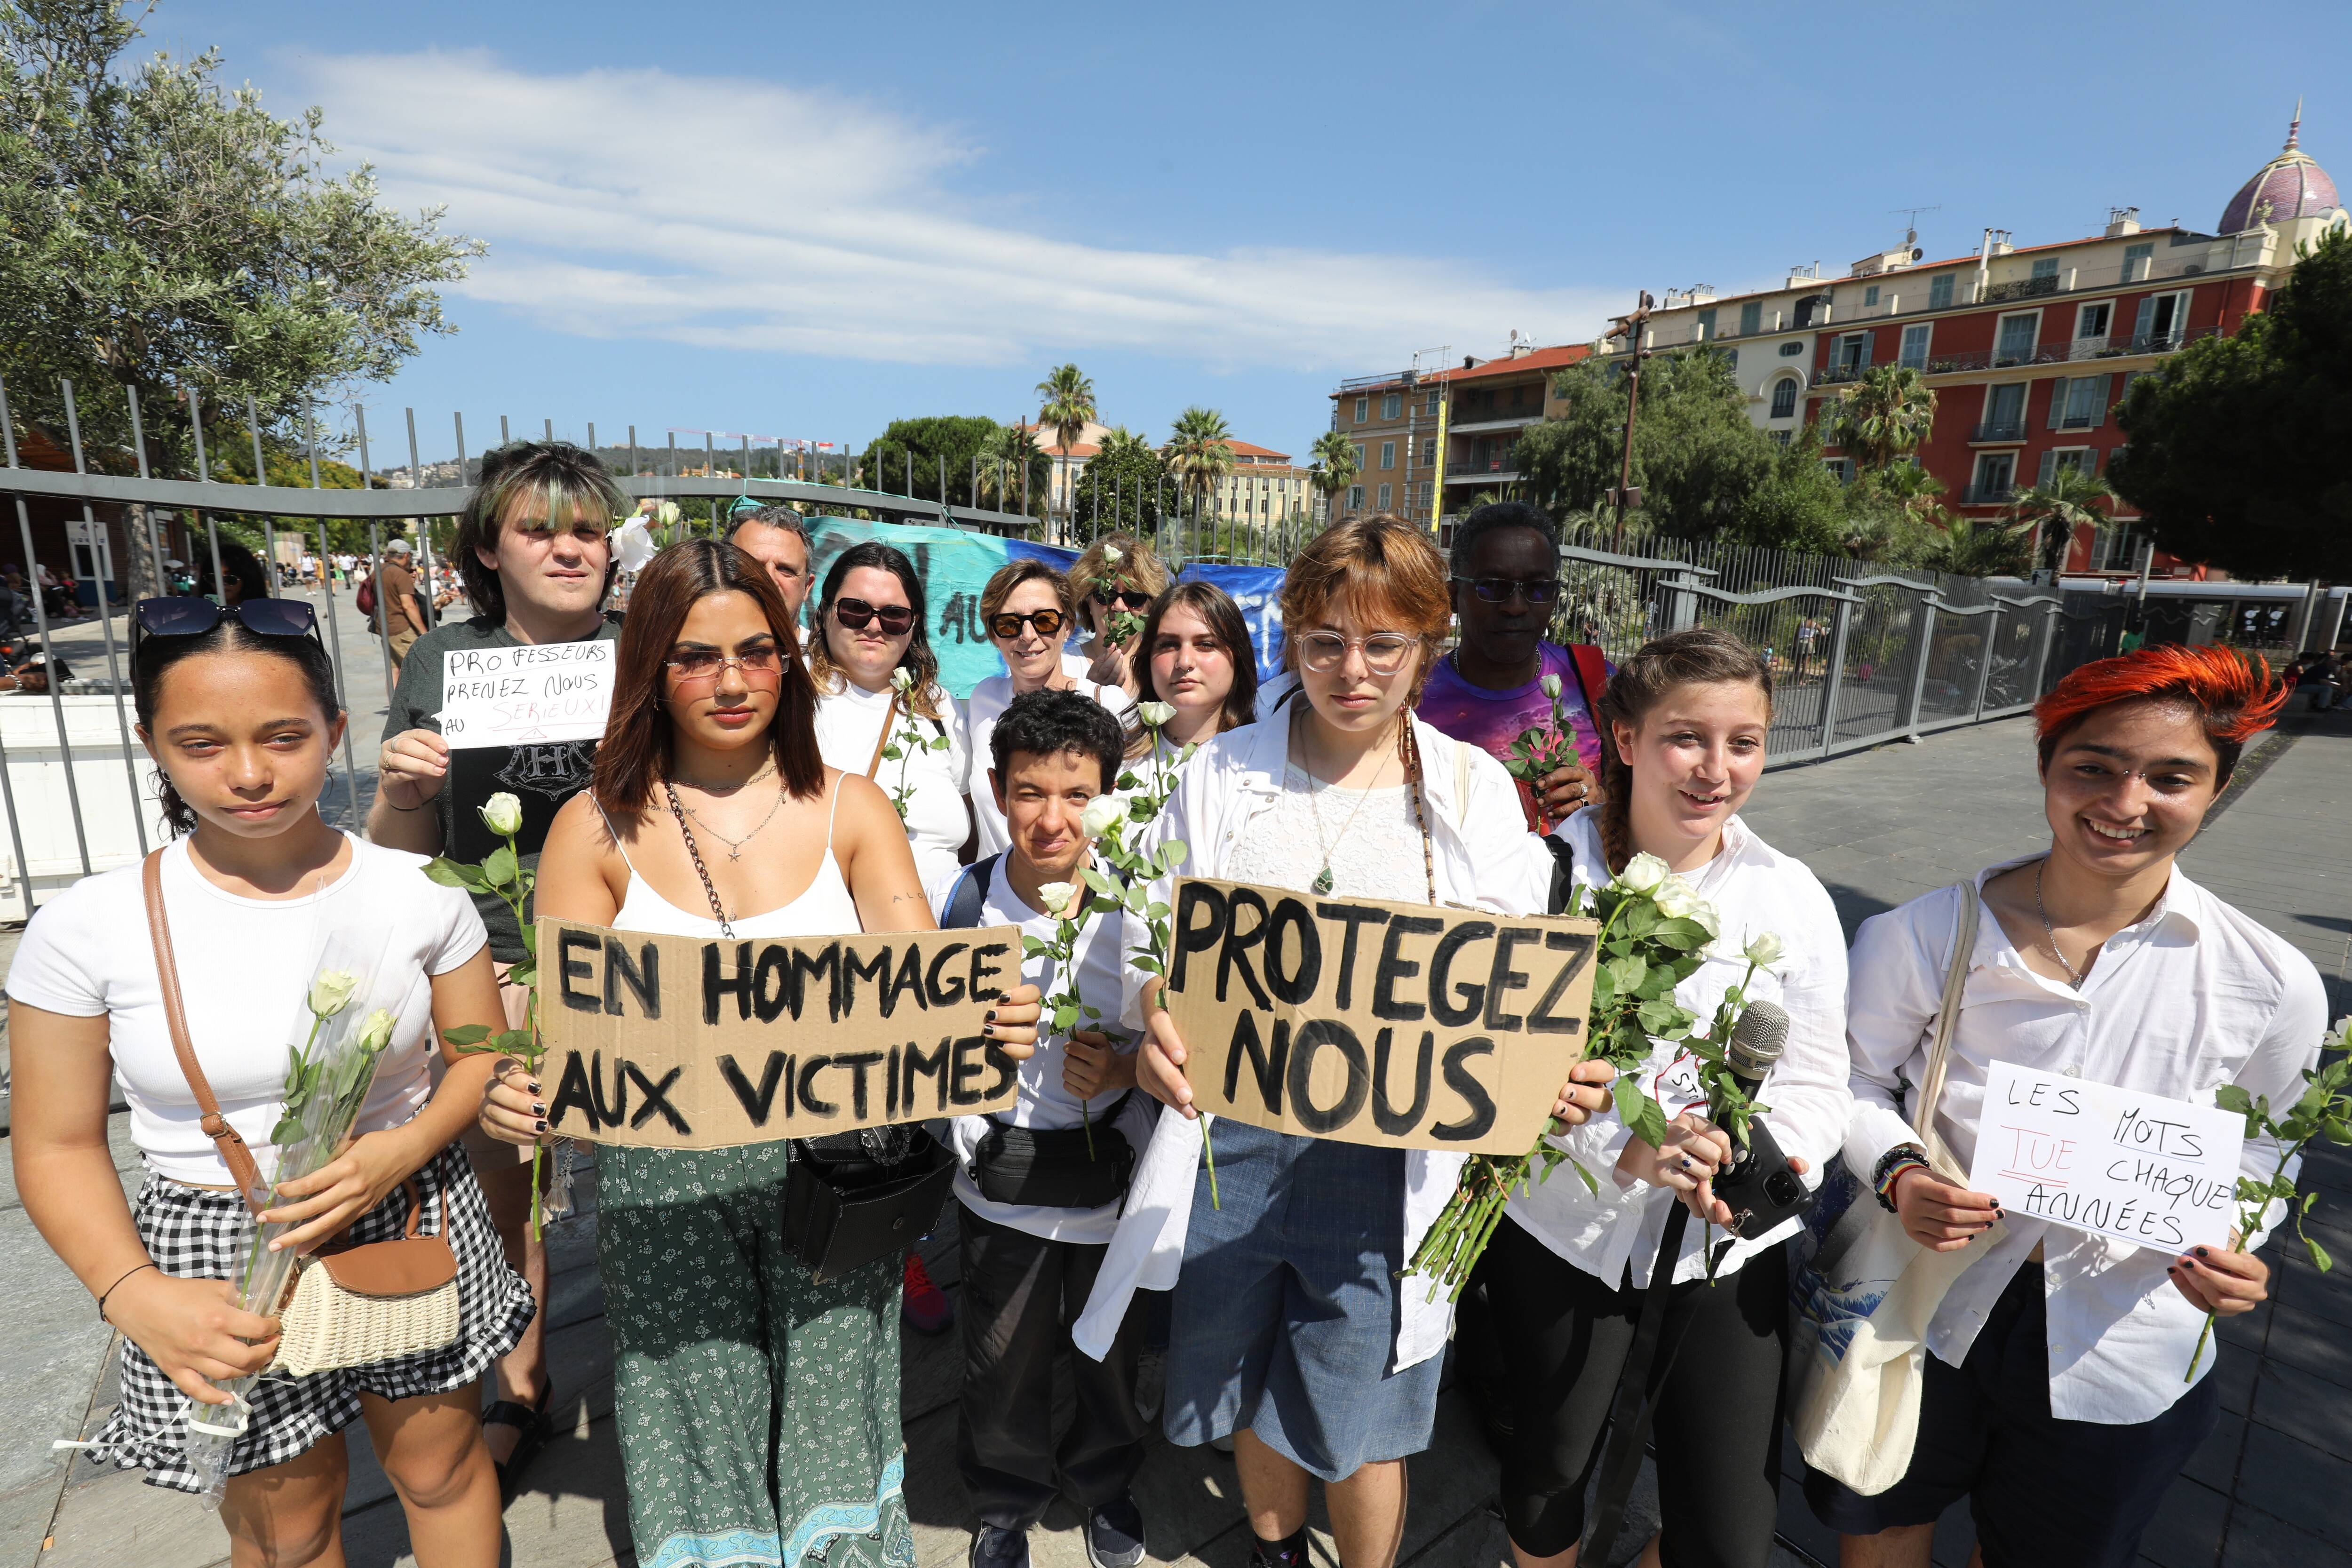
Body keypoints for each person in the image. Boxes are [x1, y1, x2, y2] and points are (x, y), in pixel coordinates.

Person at [476, 539, 1043, 1568]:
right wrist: (522, 1088)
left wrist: (991, 1017)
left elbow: (921, 980)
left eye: (756, 650)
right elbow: (558, 1035)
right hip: (664, 1194)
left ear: (789, 659)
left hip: (840, 1178)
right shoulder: (590, 828)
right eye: (694, 656)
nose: (731, 679)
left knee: (837, 1414)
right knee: (694, 1417)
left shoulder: (851, 810)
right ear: (647, 666)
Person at [1112, 516, 1620, 1568]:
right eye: (1325, 641)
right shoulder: (1219, 776)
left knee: (1363, 1407)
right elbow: (1148, 939)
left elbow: (1520, 974)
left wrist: (1549, 1067)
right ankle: (1272, 1549)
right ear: (1291, 640)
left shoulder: (1473, 792)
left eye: (1384, 643)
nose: (1353, 669)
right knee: (1244, 1375)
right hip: (1233, 1144)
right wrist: (1154, 1010)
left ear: (1426, 647)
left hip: (1391, 1161)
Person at [5, 595, 530, 1556]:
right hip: (211, 1251)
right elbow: (56, 1139)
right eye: (201, 743)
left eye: (285, 736)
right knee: (285, 1528)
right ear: (150, 741)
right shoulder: (88, 926)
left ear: (335, 730)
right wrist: (130, 1290)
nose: (250, 773)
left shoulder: (421, 893)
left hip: (408, 1207)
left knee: (442, 1467)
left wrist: (401, 1147)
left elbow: (479, 1058)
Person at [1811, 645, 2324, 1568]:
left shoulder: (2270, 982)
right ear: (2046, 766)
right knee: (1881, 1524)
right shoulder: (1924, 934)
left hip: (2126, 1333)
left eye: (2171, 776)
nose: (2125, 803)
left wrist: (2242, 1247)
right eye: (2094, 766)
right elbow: (1849, 1079)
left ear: (2214, 787)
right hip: (1931, 1303)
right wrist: (1899, 1170)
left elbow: (2261, 1155)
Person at [1486, 628, 1852, 1568]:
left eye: (1745, 742)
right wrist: (1619, 1143)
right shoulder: (1540, 878)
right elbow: (1487, 1070)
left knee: (1728, 1534)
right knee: (1547, 1474)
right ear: (1624, 739)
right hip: (1563, 1226)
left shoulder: (1791, 896)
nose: (1715, 769)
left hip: (1722, 1247)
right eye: (1687, 737)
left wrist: (1757, 1150)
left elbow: (1817, 1080)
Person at [370, 439, 627, 1492]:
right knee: (505, 1187)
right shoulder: (444, 659)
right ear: (488, 545)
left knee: (652, 1175)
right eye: (539, 528)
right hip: (495, 963)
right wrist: (398, 785)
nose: (568, 547)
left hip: (631, 958)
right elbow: (395, 855)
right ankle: (522, 1386)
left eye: (586, 528)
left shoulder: (646, 646)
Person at [937, 689, 1155, 1568]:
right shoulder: (963, 908)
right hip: (1003, 1184)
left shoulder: (1140, 914)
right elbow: (919, 1053)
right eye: (1029, 792)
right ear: (995, 791)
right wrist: (978, 1060)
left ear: (1110, 795)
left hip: (1114, 1181)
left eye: (1077, 793)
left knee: (1111, 1351)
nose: (1053, 818)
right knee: (1003, 1359)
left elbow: (1183, 1043)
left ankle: (1106, 1482)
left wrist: (1124, 1069)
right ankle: (1005, 1501)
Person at [1419, 504, 1608, 855]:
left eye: (1537, 588)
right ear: (1453, 596)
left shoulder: (1596, 680)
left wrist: (1601, 805)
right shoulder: (1413, 696)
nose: (1516, 606)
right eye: (1492, 586)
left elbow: (1650, 806)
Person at [807, 541, 972, 903]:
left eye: (894, 615)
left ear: (914, 625)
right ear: (824, 611)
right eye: (855, 610)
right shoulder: (795, 697)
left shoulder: (939, 708)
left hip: (941, 937)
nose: (874, 626)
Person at [964, 559, 1136, 858]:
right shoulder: (983, 700)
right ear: (994, 635)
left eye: (1044, 621)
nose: (1028, 636)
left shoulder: (1108, 704)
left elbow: (1127, 818)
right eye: (1009, 624)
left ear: (1067, 627)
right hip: (994, 893)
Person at [1131, 580, 1258, 755]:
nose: (1184, 662)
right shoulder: (1114, 758)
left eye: (1206, 645)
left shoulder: (1267, 761)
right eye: (1169, 644)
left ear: (1238, 657)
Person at [1068, 533, 1171, 698]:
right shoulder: (1064, 667)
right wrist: (1090, 693)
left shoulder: (1166, 668)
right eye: (1106, 595)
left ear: (1151, 605)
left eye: (1134, 597)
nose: (1119, 607)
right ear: (1087, 602)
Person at [726, 501, 815, 635]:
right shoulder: (692, 653)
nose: (769, 579)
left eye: (785, 570)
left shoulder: (820, 656)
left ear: (807, 587)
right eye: (752, 566)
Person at [376, 537, 429, 674]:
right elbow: (408, 606)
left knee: (394, 670)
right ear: (406, 555)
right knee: (421, 669)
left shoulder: (378, 571)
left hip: (384, 626)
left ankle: (395, 697)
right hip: (402, 628)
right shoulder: (400, 574)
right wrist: (424, 633)